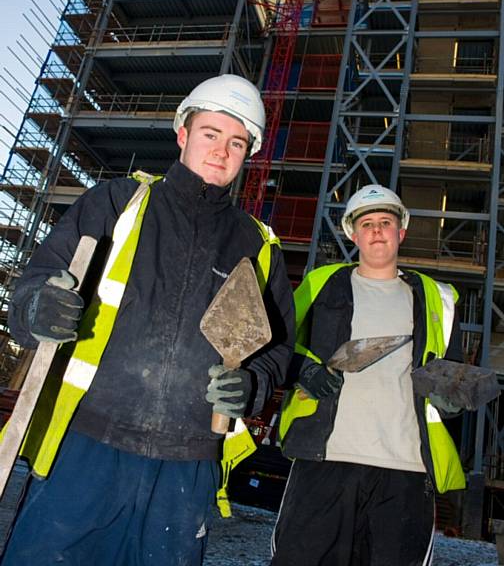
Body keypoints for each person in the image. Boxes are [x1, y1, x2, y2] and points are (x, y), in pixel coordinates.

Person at [1, 74, 295, 566]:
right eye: (210, 134)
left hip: (186, 466)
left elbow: (275, 350)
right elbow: (36, 285)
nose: (221, 151)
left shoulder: (258, 246)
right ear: (183, 133)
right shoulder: (118, 204)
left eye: (236, 142)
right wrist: (38, 309)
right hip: (87, 446)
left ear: (248, 154)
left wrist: (253, 385)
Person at [271, 184, 465, 566]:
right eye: (368, 223)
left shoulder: (437, 298)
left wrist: (451, 400)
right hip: (326, 459)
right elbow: (276, 345)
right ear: (353, 234)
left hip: (405, 470)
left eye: (386, 222)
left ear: (401, 232)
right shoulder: (322, 284)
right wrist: (303, 370)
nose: (377, 230)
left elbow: (453, 379)